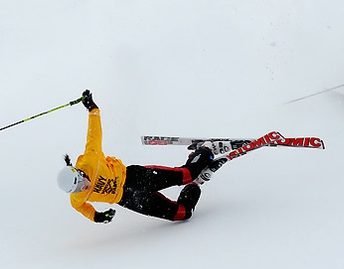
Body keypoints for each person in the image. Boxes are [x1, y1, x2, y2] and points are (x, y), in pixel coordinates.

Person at [57, 90, 224, 224]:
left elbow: (94, 135)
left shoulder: (90, 160)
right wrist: (97, 217)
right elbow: (82, 207)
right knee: (183, 214)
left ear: (80, 173)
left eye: (80, 183)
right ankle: (195, 184)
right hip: (130, 199)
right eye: (77, 189)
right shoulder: (76, 198)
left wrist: (93, 110)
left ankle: (206, 150)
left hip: (135, 177)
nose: (83, 188)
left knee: (187, 174)